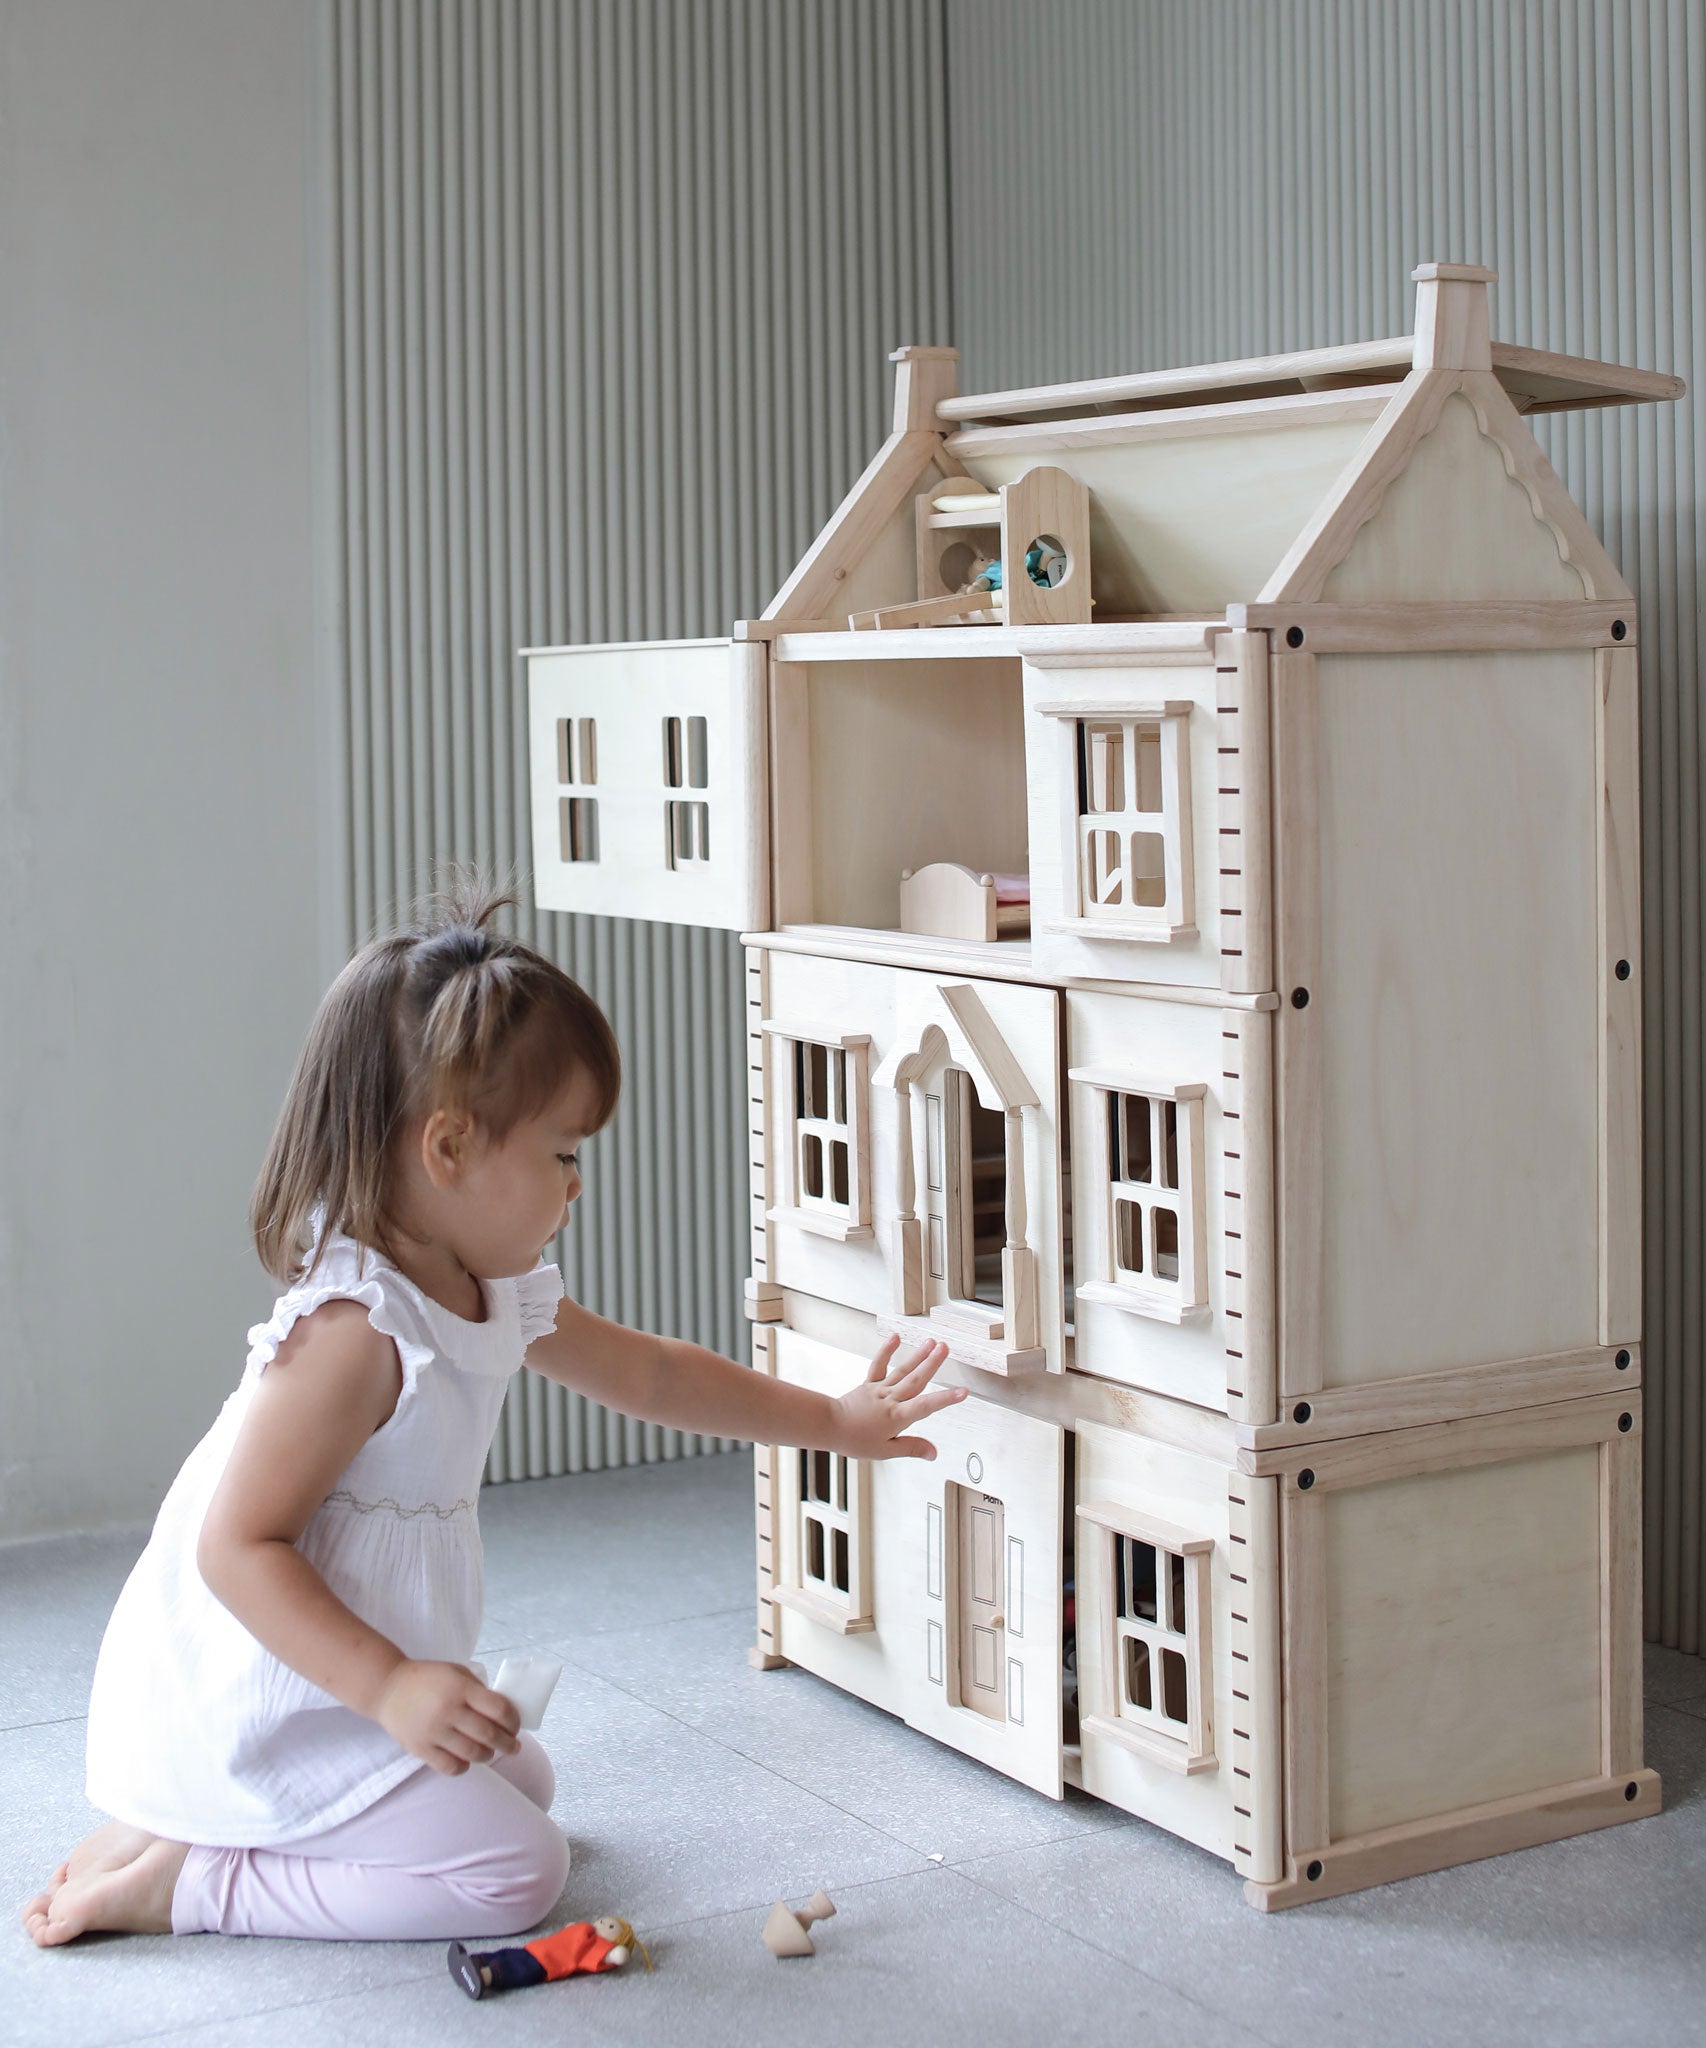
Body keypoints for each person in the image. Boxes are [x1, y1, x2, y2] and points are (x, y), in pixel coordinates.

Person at [21, 883, 961, 1948]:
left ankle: (189, 1833)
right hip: (279, 1692)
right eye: (562, 1153)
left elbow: (650, 1376)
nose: (575, 1187)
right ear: (450, 1148)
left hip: (346, 1684)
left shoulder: (489, 1284)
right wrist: (387, 1687)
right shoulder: (356, 1333)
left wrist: (833, 1417)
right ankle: (190, 1881)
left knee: (522, 1765)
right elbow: (235, 1546)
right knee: (517, 1869)